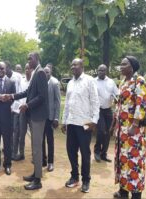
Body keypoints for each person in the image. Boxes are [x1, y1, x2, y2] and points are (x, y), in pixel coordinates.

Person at [9, 52, 49, 190]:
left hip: (38, 116)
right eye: (27, 59)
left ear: (37, 59)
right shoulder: (35, 72)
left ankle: (38, 181)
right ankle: (35, 174)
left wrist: (27, 105)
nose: (28, 61)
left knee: (37, 149)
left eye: (30, 58)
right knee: (34, 147)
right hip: (34, 116)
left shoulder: (41, 73)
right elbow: (28, 92)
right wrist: (12, 96)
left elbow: (42, 96)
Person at [61, 58, 100, 193]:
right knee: (71, 151)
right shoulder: (70, 83)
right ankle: (74, 177)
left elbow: (95, 102)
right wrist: (64, 121)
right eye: (71, 65)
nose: (73, 67)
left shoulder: (89, 81)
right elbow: (67, 103)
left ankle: (86, 180)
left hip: (84, 123)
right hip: (71, 122)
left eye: (75, 65)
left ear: (82, 67)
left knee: (85, 153)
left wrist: (94, 121)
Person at [113, 56, 146, 199]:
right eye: (120, 64)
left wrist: (134, 124)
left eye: (124, 64)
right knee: (122, 160)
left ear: (132, 66)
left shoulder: (139, 81)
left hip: (134, 131)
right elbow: (120, 105)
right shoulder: (123, 82)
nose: (121, 66)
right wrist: (115, 123)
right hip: (122, 130)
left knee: (134, 161)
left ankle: (136, 194)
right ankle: (123, 191)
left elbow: (142, 102)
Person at [94, 64, 119, 163]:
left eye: (103, 70)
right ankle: (97, 151)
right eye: (99, 70)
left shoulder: (111, 82)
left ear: (106, 71)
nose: (101, 72)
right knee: (100, 131)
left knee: (108, 132)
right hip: (98, 110)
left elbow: (116, 93)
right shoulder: (93, 82)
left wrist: (116, 98)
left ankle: (104, 154)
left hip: (108, 110)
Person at [42, 65, 61, 172]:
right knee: (41, 140)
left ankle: (50, 162)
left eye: (48, 72)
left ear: (51, 72)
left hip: (50, 117)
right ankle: (43, 160)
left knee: (50, 140)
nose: (46, 74)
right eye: (44, 72)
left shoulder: (54, 83)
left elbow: (58, 102)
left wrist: (56, 118)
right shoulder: (41, 82)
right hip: (41, 117)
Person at [12, 63, 32, 161]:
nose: (27, 70)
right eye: (26, 69)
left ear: (32, 70)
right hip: (22, 111)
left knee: (33, 134)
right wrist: (18, 108)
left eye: (29, 69)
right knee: (21, 133)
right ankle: (21, 153)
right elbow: (19, 95)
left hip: (32, 111)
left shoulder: (34, 81)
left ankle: (35, 155)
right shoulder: (22, 81)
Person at [5, 61, 22, 158]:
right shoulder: (5, 78)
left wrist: (14, 106)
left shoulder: (17, 76)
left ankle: (16, 150)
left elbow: (19, 92)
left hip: (16, 107)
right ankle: (9, 148)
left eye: (5, 68)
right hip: (7, 107)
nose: (4, 70)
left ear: (9, 68)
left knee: (16, 129)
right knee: (9, 128)